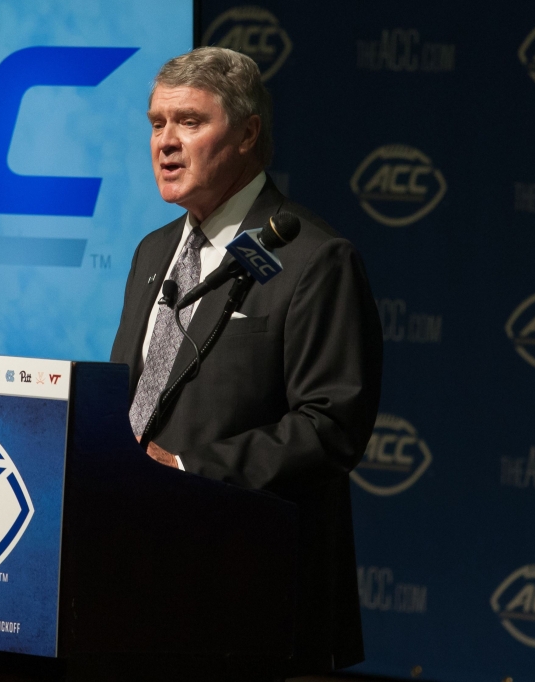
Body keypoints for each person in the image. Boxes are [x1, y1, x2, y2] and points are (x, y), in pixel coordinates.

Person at [110, 47, 383, 677]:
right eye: (157, 124)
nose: (166, 144)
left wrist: (187, 468)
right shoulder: (153, 252)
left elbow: (331, 426)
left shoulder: (314, 259)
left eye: (190, 122)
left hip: (250, 598)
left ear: (247, 133)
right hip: (138, 582)